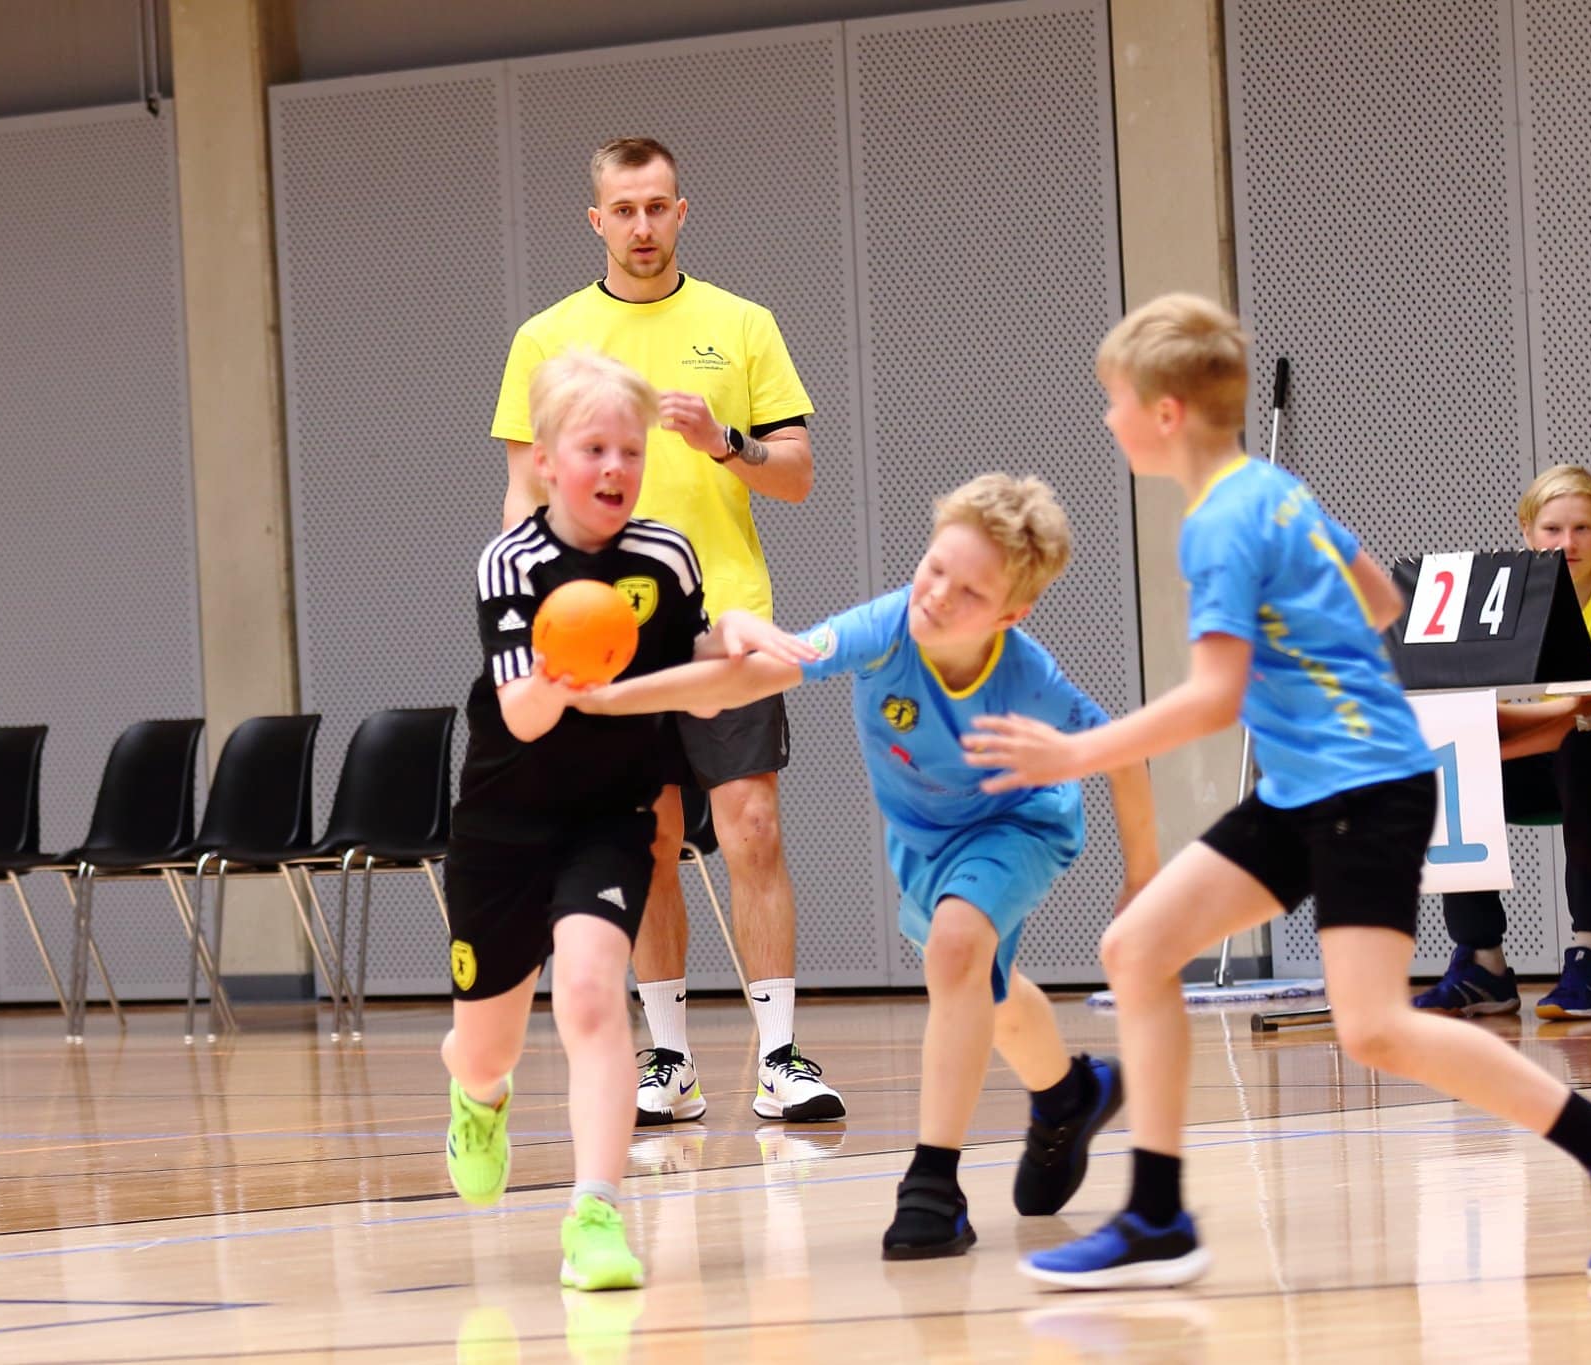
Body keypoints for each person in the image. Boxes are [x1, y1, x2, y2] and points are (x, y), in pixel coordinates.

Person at [966, 292, 1591, 1290]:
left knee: (1373, 1028)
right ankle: (1156, 1216)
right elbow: (1380, 598)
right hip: (1312, 782)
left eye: (1114, 400)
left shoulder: (1219, 524)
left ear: (1164, 412)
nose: (1106, 418)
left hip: (1362, 785)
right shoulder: (1275, 489)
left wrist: (1074, 753)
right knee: (1137, 948)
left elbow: (1212, 697)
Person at [575, 473, 1158, 1259]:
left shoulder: (1026, 676)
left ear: (1011, 614)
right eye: (935, 567)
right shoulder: (885, 628)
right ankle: (1067, 1094)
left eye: (969, 592)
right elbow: (750, 676)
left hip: (1018, 822)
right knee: (983, 988)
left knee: (956, 949)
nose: (938, 595)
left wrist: (1141, 876)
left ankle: (933, 1186)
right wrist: (609, 700)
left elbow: (1123, 748)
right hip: (926, 843)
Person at [491, 137, 842, 1123]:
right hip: (606, 636)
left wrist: (723, 443)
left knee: (753, 827)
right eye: (624, 209)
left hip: (725, 622)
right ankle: (670, 1064)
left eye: (657, 207)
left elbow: (797, 476)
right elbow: (522, 495)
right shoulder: (545, 339)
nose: (641, 226)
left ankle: (780, 1057)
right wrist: (531, 617)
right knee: (647, 840)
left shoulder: (742, 324)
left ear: (680, 211)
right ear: (596, 219)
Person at [441, 349, 809, 1289]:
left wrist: (734, 640)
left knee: (593, 993)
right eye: (594, 450)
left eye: (631, 451)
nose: (616, 468)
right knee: (485, 1043)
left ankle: (596, 1214)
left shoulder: (665, 554)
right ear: (546, 463)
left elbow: (694, 666)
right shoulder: (512, 561)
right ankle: (479, 1096)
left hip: (611, 814)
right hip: (503, 825)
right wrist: (572, 670)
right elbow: (523, 713)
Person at [1413, 465, 1591, 1019]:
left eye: (1583, 528)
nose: (1568, 543)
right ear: (1527, 531)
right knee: (1446, 756)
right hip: (1545, 747)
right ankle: (1482, 962)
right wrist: (1555, 711)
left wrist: (1517, 730)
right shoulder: (1505, 593)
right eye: (1553, 529)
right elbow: (1482, 711)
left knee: (1584, 753)